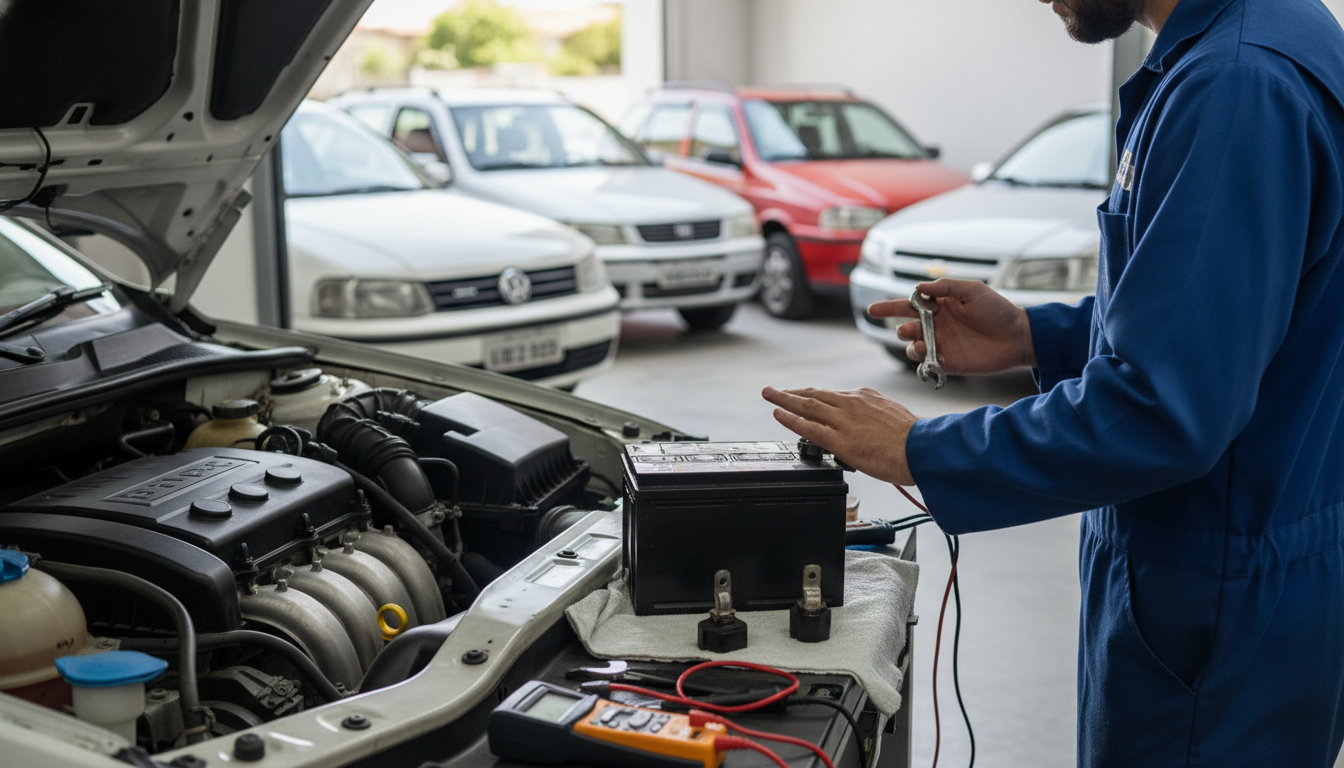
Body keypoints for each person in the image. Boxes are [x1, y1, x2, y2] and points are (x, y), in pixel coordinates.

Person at [763, 0, 1344, 765]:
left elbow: (1161, 410)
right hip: (1263, 567)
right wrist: (1034, 334)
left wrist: (923, 448)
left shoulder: (1234, 86)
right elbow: (1230, 316)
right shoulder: (1275, 31)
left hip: (1212, 611)